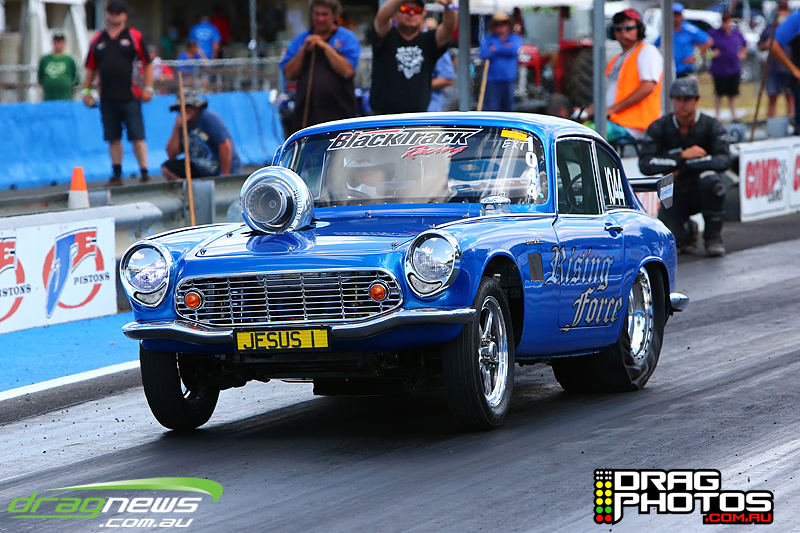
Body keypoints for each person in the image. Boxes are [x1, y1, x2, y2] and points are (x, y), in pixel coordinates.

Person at [639, 77, 731, 257]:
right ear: (672, 99)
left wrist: (684, 166)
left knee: (713, 183)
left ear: (696, 100)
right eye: (678, 99)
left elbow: (724, 160)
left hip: (700, 185)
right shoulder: (658, 127)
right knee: (666, 246)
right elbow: (645, 164)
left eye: (687, 99)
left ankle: (713, 238)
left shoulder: (712, 125)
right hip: (672, 187)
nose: (682, 104)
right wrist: (681, 156)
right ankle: (687, 230)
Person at [82, 0, 154, 185]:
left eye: (118, 12)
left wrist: (148, 87)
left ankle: (144, 171)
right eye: (111, 12)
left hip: (130, 96)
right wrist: (86, 91)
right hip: (107, 97)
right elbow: (90, 68)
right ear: (107, 14)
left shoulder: (133, 36)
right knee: (113, 138)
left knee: (137, 137)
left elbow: (148, 63)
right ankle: (116, 172)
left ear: (125, 15)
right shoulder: (98, 39)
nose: (114, 15)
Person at [581, 9, 662, 143]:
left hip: (633, 125)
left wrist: (611, 110)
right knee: (573, 131)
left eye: (628, 28)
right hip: (614, 120)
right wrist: (587, 111)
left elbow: (648, 86)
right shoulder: (616, 60)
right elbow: (607, 94)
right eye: (618, 29)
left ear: (640, 29)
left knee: (582, 135)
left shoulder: (647, 51)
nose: (623, 32)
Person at [280, 0, 361, 133]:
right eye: (316, 14)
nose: (320, 19)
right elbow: (289, 74)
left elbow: (348, 71)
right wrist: (304, 50)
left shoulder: (347, 38)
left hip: (340, 115)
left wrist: (325, 47)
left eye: (325, 14)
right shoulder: (300, 40)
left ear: (334, 15)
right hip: (306, 117)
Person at [369, 0, 457, 115]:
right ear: (394, 14)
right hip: (383, 117)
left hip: (418, 117)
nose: (411, 13)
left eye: (417, 10)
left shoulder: (429, 40)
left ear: (423, 13)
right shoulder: (385, 35)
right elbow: (381, 18)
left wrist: (448, 6)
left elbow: (448, 29)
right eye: (405, 9)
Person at [161, 94, 241, 181]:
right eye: (181, 108)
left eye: (188, 107)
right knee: (167, 168)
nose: (185, 110)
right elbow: (171, 154)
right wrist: (177, 127)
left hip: (219, 168)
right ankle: (190, 188)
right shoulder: (182, 125)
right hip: (199, 167)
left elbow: (225, 145)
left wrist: (224, 175)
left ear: (196, 107)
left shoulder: (208, 117)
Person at [655, 3, 713, 79]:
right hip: (670, 70)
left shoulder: (690, 29)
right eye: (674, 15)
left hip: (686, 70)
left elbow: (708, 41)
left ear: (682, 15)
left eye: (678, 15)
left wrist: (696, 56)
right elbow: (655, 45)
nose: (676, 18)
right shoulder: (667, 30)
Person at [479, 12, 523, 112]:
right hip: (492, 80)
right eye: (497, 24)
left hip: (509, 79)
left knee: (508, 111)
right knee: (491, 109)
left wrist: (495, 49)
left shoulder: (515, 38)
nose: (500, 26)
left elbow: (514, 50)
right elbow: (484, 54)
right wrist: (504, 48)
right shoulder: (488, 39)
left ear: (508, 25)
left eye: (503, 23)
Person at [759, 0, 794, 119]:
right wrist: (766, 45)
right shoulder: (770, 29)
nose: (782, 12)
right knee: (772, 96)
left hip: (789, 68)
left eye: (784, 9)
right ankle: (771, 122)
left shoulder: (794, 28)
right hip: (773, 68)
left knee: (790, 96)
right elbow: (760, 46)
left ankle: (792, 121)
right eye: (780, 9)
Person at [708, 12, 747, 121]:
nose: (726, 24)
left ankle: (734, 115)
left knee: (732, 93)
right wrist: (710, 54)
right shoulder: (713, 33)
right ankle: (717, 115)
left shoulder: (736, 33)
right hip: (719, 69)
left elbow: (745, 44)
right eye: (724, 21)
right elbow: (702, 49)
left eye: (728, 21)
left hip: (734, 68)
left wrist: (743, 53)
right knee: (719, 93)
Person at [38, 32, 80, 101]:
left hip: (65, 97)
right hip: (49, 97)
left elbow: (76, 78)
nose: (58, 43)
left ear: (64, 43)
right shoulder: (45, 59)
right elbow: (40, 77)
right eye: (57, 41)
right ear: (53, 42)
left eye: (60, 41)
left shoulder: (70, 60)